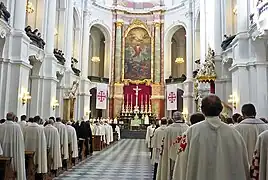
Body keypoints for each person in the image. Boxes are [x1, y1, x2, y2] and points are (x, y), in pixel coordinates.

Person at [172, 95, 250, 180]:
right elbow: (243, 165)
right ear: (221, 109)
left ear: (202, 110)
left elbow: (181, 165)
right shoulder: (234, 134)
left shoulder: (191, 133)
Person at [156, 111, 189, 180]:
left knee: (170, 170)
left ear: (173, 118)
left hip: (169, 156)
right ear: (182, 117)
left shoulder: (168, 129)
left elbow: (164, 144)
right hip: (183, 155)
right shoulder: (188, 128)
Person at [0, 112, 26, 180]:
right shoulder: (16, 126)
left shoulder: (1, 126)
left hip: (3, 148)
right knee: (14, 165)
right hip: (15, 149)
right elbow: (20, 141)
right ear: (14, 118)